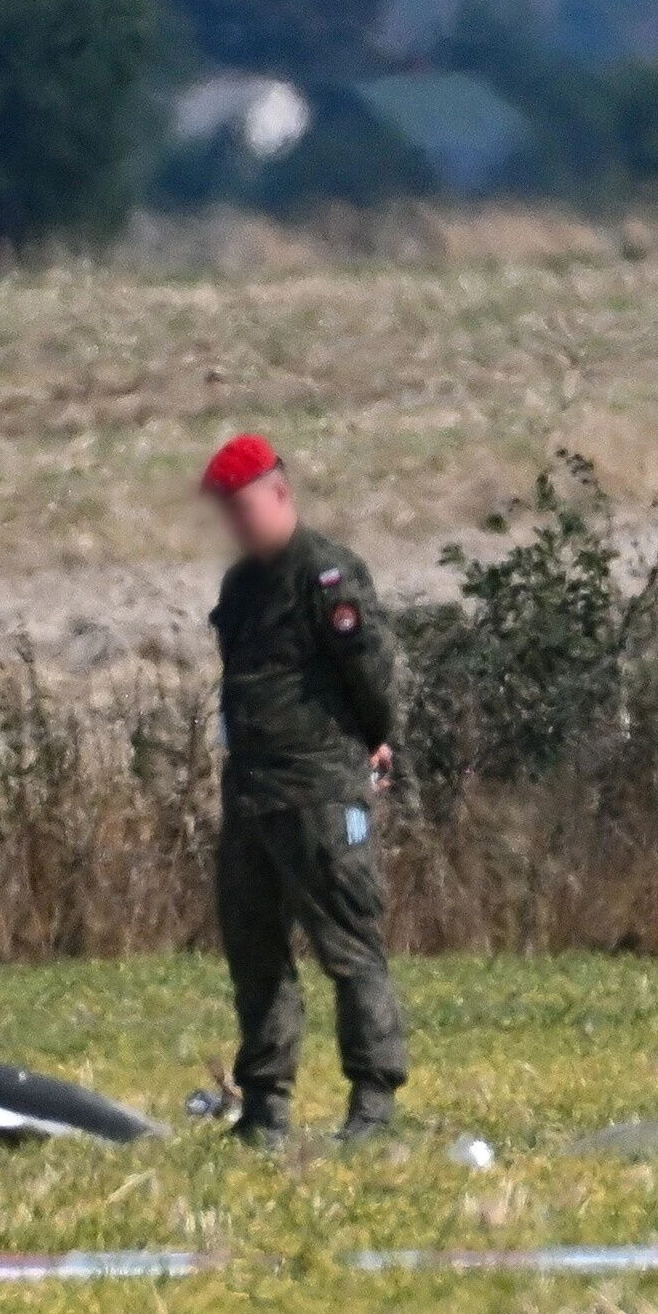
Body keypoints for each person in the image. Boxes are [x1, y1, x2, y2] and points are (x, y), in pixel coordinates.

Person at [199, 434, 409, 1146]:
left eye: (241, 508)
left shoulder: (327, 575)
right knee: (255, 953)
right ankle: (265, 1107)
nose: (233, 524)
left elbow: (373, 675)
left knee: (349, 948)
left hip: (321, 790)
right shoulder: (240, 588)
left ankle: (373, 1104)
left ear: (278, 495)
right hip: (253, 795)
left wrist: (373, 738)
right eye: (224, 513)